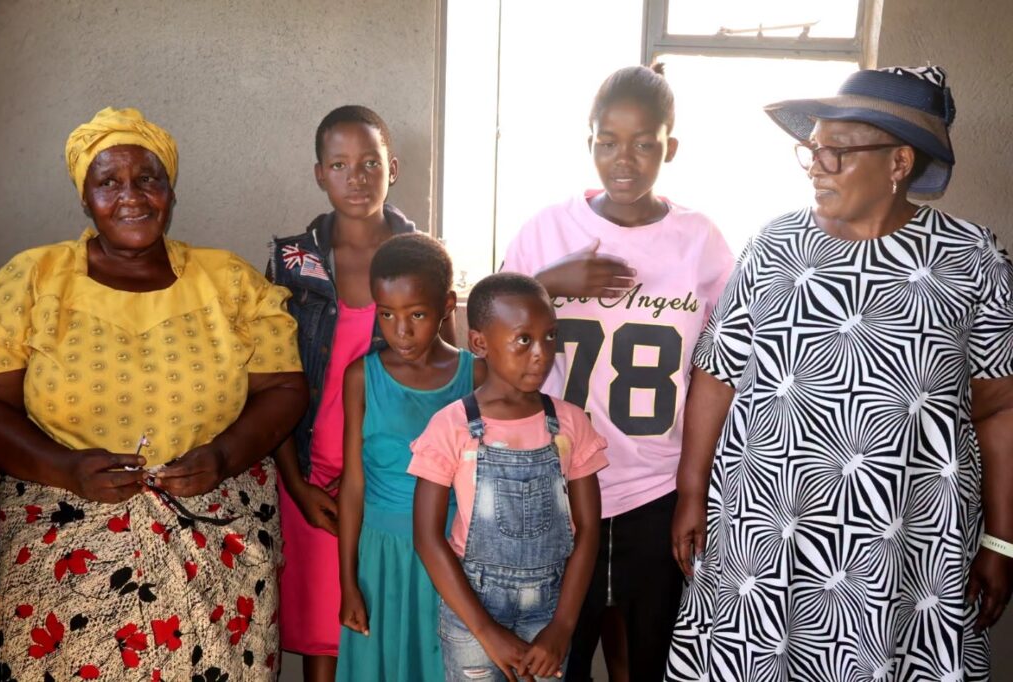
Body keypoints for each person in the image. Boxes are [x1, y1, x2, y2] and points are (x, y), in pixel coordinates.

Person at [668, 66, 1013, 681]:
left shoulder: (972, 258)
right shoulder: (771, 247)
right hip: (765, 535)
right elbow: (716, 374)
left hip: (908, 544)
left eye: (838, 151)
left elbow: (997, 407)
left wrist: (1001, 539)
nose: (816, 165)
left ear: (899, 162)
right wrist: (691, 492)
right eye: (812, 149)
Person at [0, 107, 308, 680]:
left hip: (216, 543)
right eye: (108, 181)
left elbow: (284, 388)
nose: (131, 196)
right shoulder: (34, 279)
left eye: (148, 179)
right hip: (65, 549)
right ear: (85, 198)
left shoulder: (229, 282)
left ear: (170, 191)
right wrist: (66, 469)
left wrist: (222, 457)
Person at [502, 64, 735, 680]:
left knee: (649, 659)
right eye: (608, 141)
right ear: (590, 142)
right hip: (555, 482)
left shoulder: (701, 241)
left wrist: (695, 486)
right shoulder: (548, 230)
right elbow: (489, 336)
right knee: (557, 658)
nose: (623, 159)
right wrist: (548, 285)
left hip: (656, 489)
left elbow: (724, 369)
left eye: (643, 143)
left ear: (670, 147)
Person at [268, 105, 415, 681]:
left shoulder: (421, 259)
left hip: (388, 482)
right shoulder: (291, 264)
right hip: (311, 482)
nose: (356, 177)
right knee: (323, 643)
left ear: (393, 168)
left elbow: (446, 377)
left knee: (384, 623)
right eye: (340, 164)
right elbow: (270, 384)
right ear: (318, 174)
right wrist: (296, 484)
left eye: (370, 162)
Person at [410, 273, 608, 682]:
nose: (541, 352)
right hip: (472, 612)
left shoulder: (570, 425)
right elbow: (427, 537)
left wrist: (563, 627)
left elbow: (589, 530)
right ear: (479, 342)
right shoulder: (452, 427)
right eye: (524, 339)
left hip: (551, 613)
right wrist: (486, 631)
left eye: (550, 337)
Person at [336, 233, 482, 680]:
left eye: (416, 314)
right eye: (387, 315)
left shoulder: (477, 375)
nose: (400, 331)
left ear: (446, 305)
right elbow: (353, 485)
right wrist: (348, 582)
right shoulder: (362, 376)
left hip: (457, 554)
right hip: (384, 559)